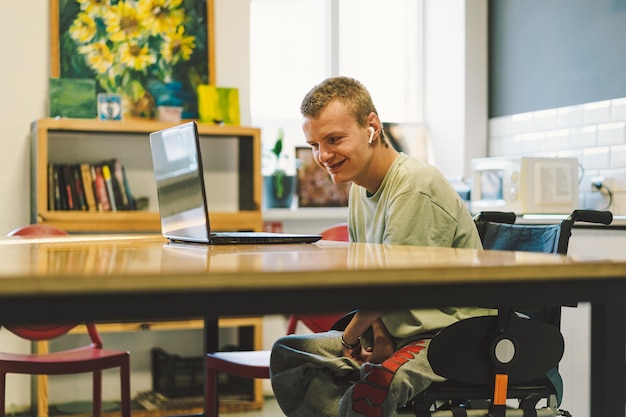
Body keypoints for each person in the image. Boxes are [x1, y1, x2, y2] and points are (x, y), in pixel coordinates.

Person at [269, 76, 493, 417]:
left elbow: (394, 287)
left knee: (370, 393)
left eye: (334, 139)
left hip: (445, 337)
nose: (323, 155)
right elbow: (373, 279)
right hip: (397, 330)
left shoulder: (415, 185)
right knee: (289, 356)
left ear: (371, 126)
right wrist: (379, 333)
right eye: (314, 144)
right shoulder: (360, 188)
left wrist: (349, 339)